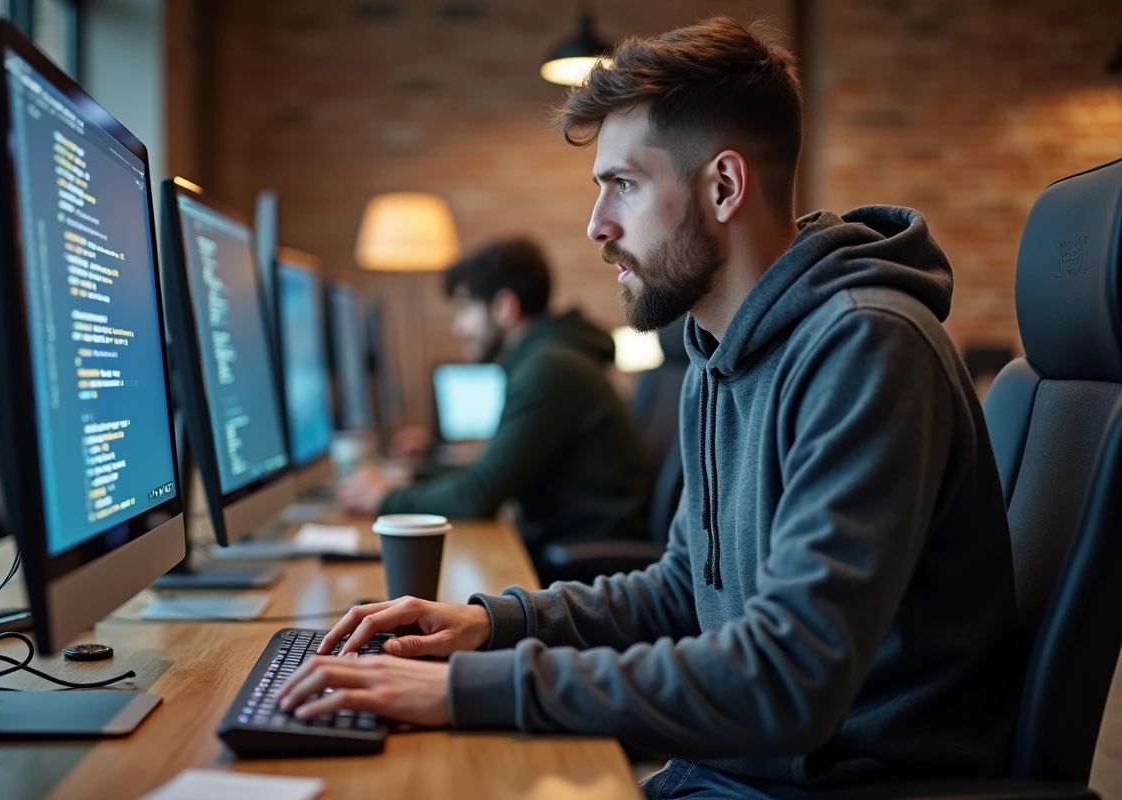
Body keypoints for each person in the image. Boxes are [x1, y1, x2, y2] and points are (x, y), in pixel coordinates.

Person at [278, 15, 1018, 798]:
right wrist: (492, 625)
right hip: (738, 771)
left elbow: (789, 680)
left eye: (622, 185)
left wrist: (474, 690)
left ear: (724, 186)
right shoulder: (718, 347)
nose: (597, 226)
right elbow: (680, 591)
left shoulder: (867, 349)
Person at [339, 238, 650, 576]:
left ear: (504, 307)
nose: (459, 326)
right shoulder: (547, 358)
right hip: (559, 549)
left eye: (465, 308)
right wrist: (414, 474)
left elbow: (479, 495)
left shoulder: (550, 368)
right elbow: (489, 473)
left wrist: (385, 501)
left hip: (586, 572)